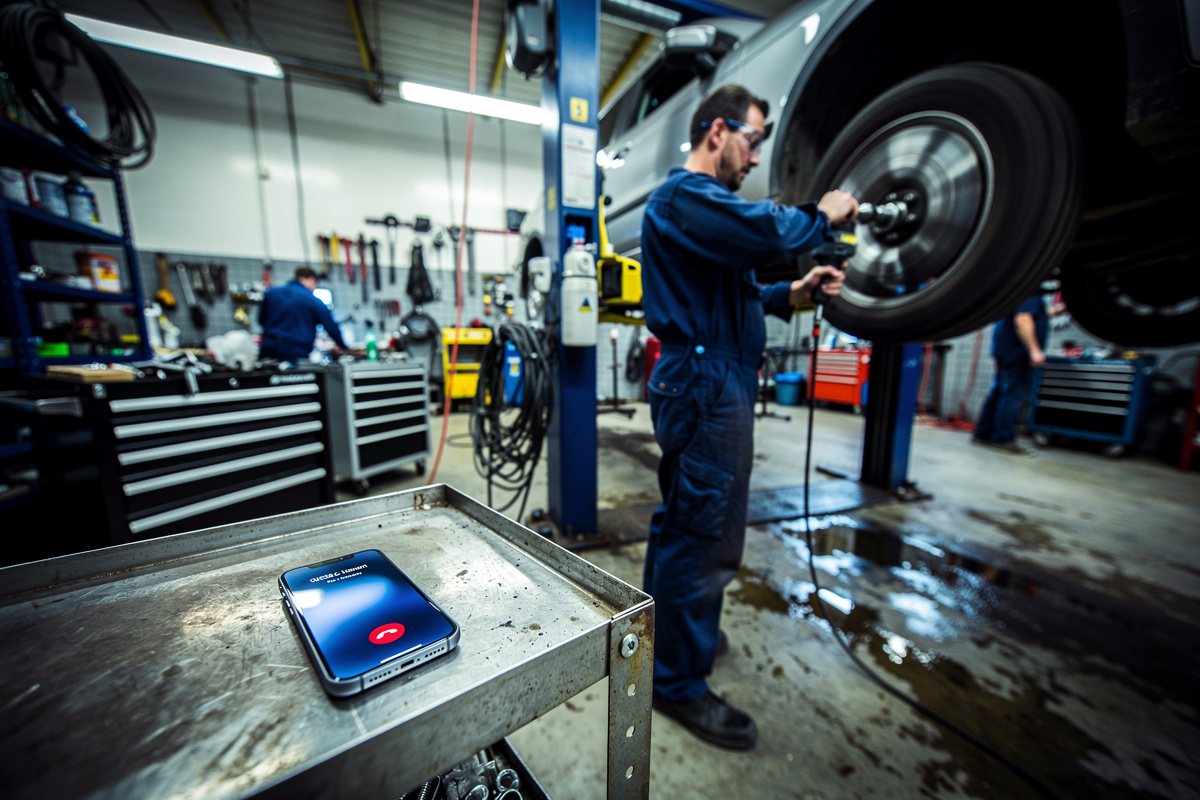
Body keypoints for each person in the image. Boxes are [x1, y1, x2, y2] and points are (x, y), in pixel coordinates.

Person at [640, 84, 858, 750]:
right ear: (716, 132)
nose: (755, 157)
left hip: (715, 376)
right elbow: (766, 229)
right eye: (754, 140)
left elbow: (735, 288)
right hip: (707, 381)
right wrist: (822, 217)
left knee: (686, 521)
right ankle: (676, 682)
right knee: (704, 538)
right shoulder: (687, 198)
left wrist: (791, 292)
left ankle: (667, 638)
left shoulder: (702, 215)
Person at [973, 295, 1050, 453]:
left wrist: (1056, 311)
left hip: (1005, 350)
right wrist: (1034, 350)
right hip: (1017, 352)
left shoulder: (1015, 289)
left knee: (999, 391)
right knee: (1013, 395)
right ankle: (1004, 438)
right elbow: (1022, 319)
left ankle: (983, 434)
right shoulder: (1030, 290)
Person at [258, 266, 347, 362]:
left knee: (268, 376)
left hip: (267, 347)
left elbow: (261, 320)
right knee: (295, 376)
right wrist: (343, 347)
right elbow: (331, 327)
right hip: (295, 350)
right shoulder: (313, 300)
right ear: (312, 279)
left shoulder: (272, 293)